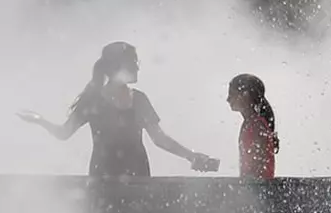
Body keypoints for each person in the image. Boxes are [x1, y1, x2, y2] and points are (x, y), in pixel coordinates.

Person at [18, 42, 216, 178]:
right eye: (133, 62)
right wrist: (39, 120)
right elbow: (64, 132)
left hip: (137, 174)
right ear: (117, 66)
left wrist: (192, 156)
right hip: (104, 175)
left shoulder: (138, 99)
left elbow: (159, 138)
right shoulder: (93, 100)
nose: (138, 68)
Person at [227, 73, 278, 179]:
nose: (228, 99)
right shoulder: (250, 123)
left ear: (246, 95)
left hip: (258, 188)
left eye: (232, 94)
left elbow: (259, 168)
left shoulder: (256, 126)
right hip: (254, 188)